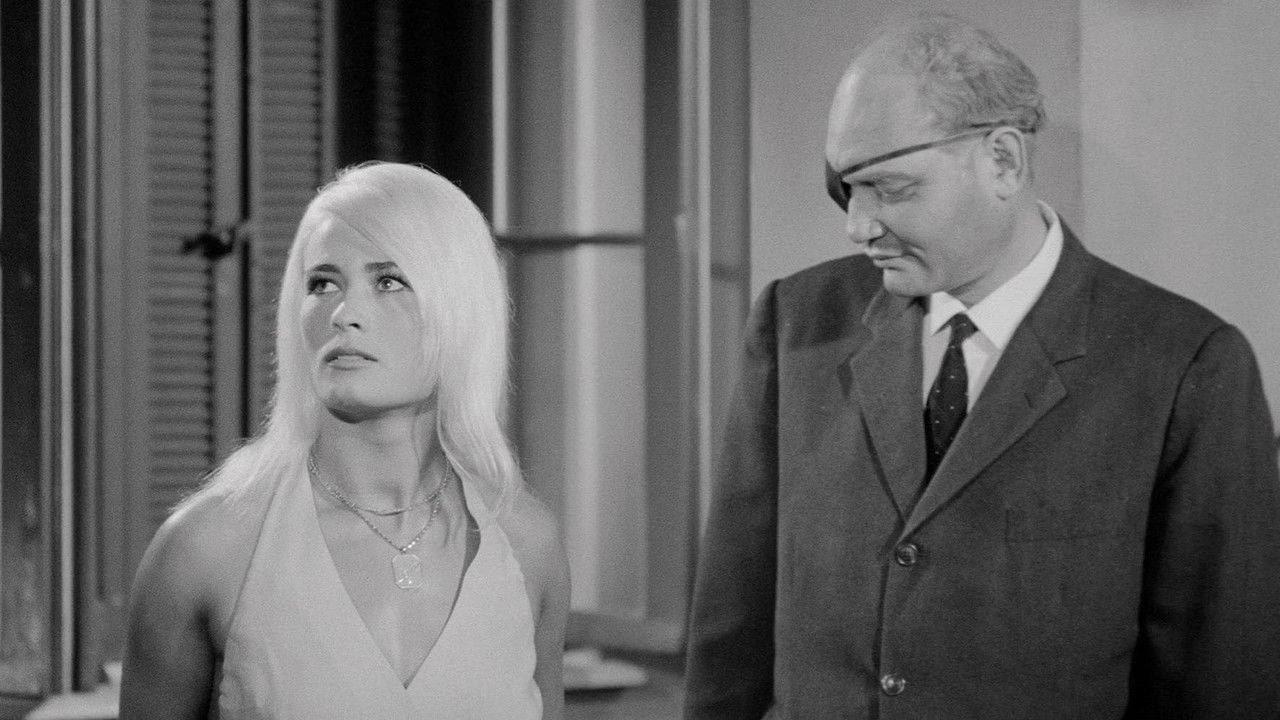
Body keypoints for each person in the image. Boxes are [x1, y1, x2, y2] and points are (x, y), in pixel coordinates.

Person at [684, 13, 1280, 720]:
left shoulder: (1186, 366)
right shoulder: (796, 322)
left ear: (1003, 161)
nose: (857, 225)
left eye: (890, 189)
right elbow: (733, 630)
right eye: (845, 188)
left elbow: (1218, 680)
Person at [120, 162, 570, 719]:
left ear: (460, 307)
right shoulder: (208, 549)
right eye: (323, 284)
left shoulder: (528, 544)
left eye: (389, 281)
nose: (344, 314)